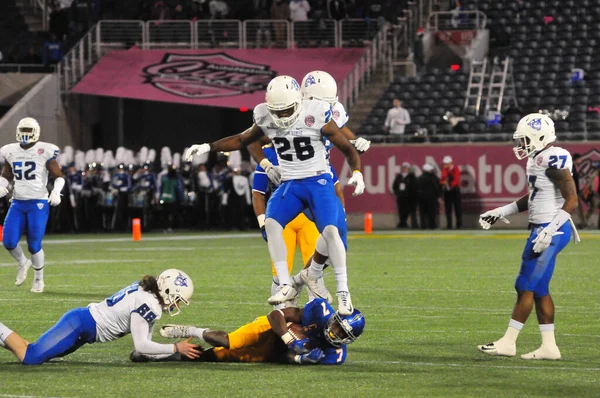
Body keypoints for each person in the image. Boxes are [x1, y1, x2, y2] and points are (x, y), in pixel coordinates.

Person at [184, 75, 366, 315]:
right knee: (270, 223)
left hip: (318, 179)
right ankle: (285, 284)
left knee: (332, 231)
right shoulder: (266, 115)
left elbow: (346, 146)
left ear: (300, 101)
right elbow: (243, 139)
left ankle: (343, 292)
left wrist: (356, 171)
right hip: (290, 182)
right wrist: (208, 147)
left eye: (286, 110)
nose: (281, 116)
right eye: (276, 111)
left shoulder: (317, 112)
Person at [477, 113, 580, 360]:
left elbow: (572, 199)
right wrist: (500, 211)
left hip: (552, 228)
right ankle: (549, 347)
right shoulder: (538, 158)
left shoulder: (553, 157)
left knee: (524, 285)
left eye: (524, 140)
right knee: (540, 288)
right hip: (544, 227)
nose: (520, 146)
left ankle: (508, 343)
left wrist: (549, 229)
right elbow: (532, 197)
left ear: (540, 136)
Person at [0, 269, 199, 365]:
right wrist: (175, 347)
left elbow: (141, 352)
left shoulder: (148, 293)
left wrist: (173, 354)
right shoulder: (150, 304)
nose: (176, 305)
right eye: (178, 299)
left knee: (36, 351)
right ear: (167, 290)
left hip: (85, 329)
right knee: (31, 357)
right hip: (80, 324)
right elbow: (141, 347)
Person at [130, 298, 365, 365]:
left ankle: (153, 356)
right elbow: (277, 315)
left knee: (214, 356)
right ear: (333, 318)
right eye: (335, 325)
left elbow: (282, 358)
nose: (334, 333)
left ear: (349, 340)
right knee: (228, 341)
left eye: (341, 334)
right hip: (272, 330)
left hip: (273, 352)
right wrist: (289, 338)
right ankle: (189, 329)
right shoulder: (319, 311)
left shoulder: (336, 356)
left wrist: (299, 358)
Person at [0, 117, 65, 293]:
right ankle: (22, 263)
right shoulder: (10, 151)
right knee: (8, 241)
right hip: (18, 203)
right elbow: (6, 176)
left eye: (29, 130)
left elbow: (59, 175)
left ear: (36, 132)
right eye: (24, 130)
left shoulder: (44, 150)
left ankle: (38, 279)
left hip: (38, 203)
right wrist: (1, 186)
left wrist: (56, 191)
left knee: (34, 244)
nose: (26, 134)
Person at [392, 162, 418, 228]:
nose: (405, 169)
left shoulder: (411, 177)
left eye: (406, 168)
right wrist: (397, 193)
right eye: (404, 167)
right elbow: (394, 186)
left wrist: (412, 195)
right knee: (401, 211)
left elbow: (414, 187)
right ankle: (403, 223)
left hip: (409, 198)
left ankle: (409, 224)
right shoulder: (399, 177)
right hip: (401, 197)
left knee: (409, 211)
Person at [416, 163, 441, 229]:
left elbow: (416, 189)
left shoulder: (419, 178)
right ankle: (432, 226)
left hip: (421, 199)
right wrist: (439, 196)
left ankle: (423, 226)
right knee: (432, 214)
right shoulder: (434, 178)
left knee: (422, 214)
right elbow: (437, 188)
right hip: (431, 199)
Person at [440, 155, 462, 229]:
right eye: (444, 163)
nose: (445, 165)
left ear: (450, 163)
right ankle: (449, 225)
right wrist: (444, 183)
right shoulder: (445, 170)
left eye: (446, 163)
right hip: (447, 192)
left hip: (455, 191)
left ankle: (459, 225)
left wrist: (449, 184)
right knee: (448, 209)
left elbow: (456, 180)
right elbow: (442, 180)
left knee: (457, 208)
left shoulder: (456, 169)